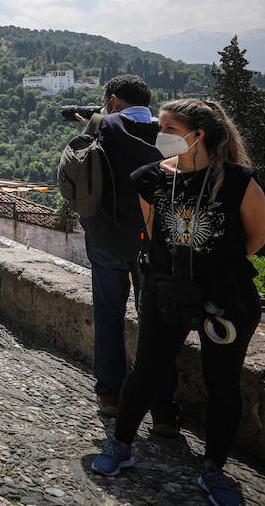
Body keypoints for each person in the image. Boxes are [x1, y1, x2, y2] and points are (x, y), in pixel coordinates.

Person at [92, 99, 265, 506]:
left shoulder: (240, 182)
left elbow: (254, 241)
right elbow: (155, 235)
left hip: (226, 296)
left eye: (167, 127)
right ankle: (121, 445)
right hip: (166, 289)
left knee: (222, 382)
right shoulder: (150, 178)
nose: (159, 133)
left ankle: (214, 468)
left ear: (198, 134)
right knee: (146, 370)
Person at [75, 76, 177, 427]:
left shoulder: (102, 125)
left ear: (113, 99)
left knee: (108, 314)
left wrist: (93, 120)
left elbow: (80, 166)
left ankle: (110, 395)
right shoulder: (168, 134)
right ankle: (164, 408)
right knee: (158, 323)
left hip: (107, 237)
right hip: (154, 242)